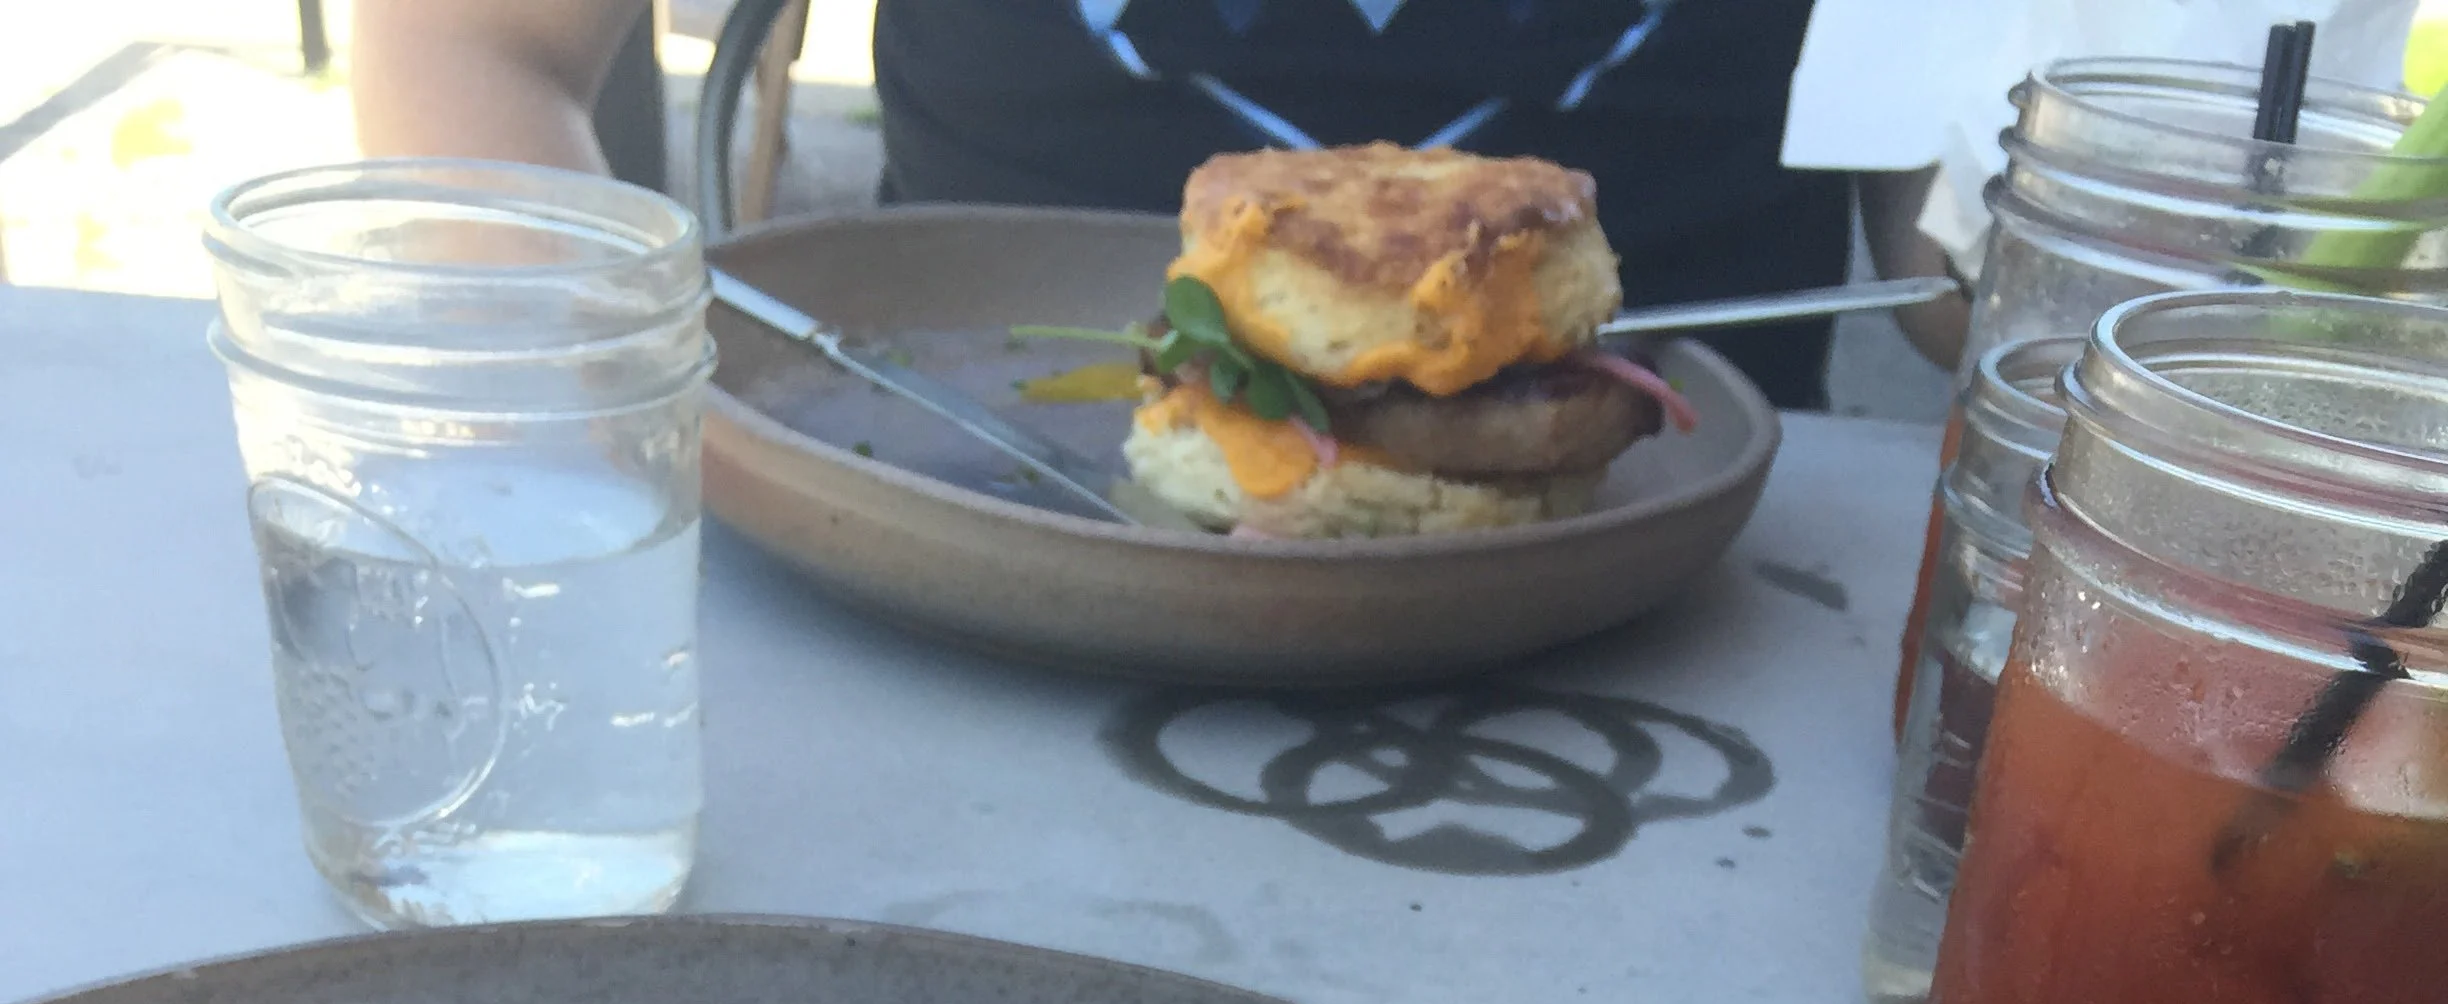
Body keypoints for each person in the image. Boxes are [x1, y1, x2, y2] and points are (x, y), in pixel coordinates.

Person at [353, 0, 1961, 408]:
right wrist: (592, 430)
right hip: (949, 511)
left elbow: (1959, 283)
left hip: (1684, 596)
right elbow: (480, 43)